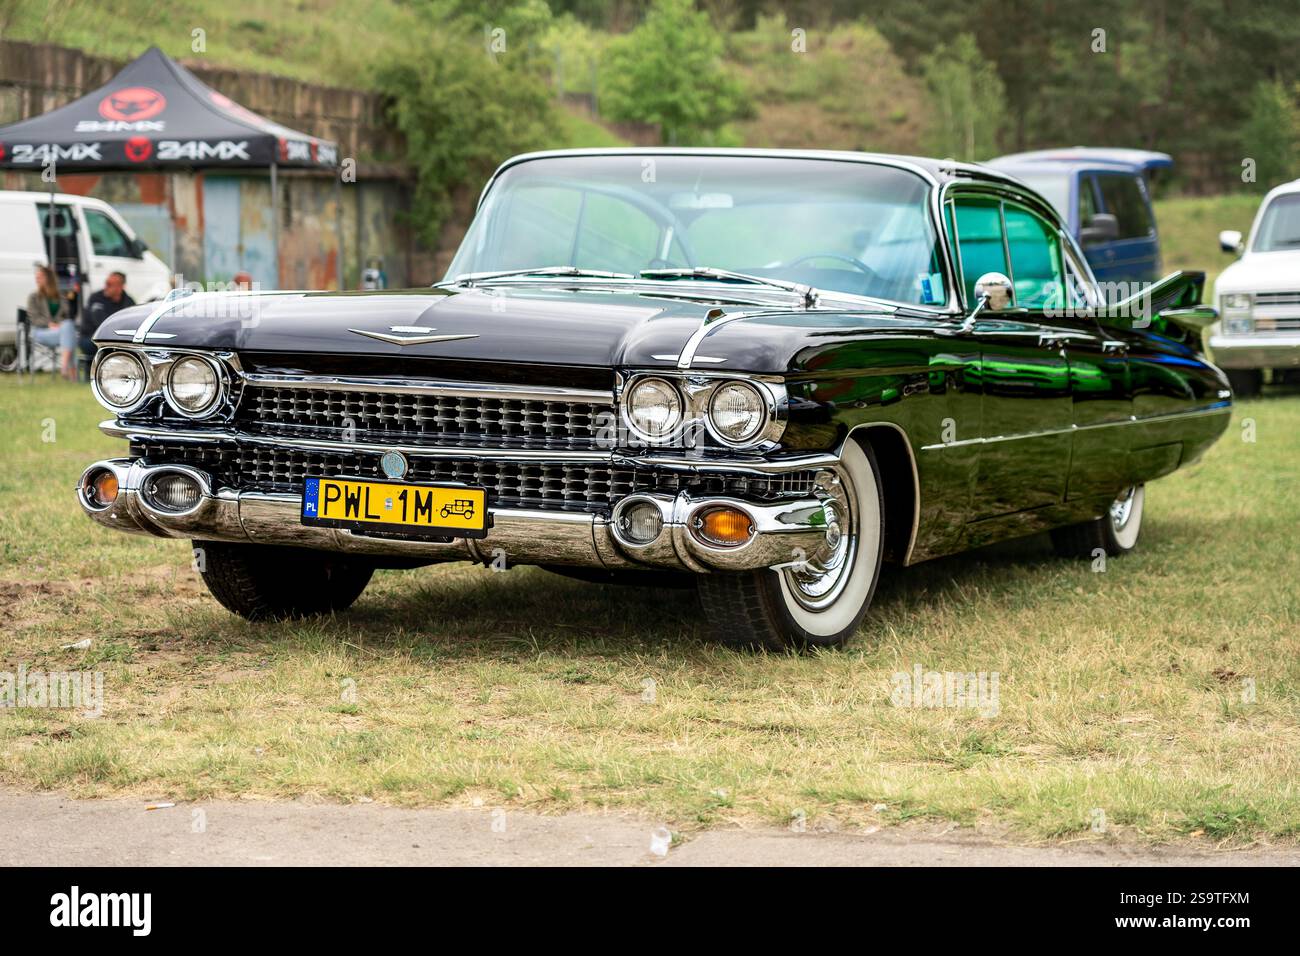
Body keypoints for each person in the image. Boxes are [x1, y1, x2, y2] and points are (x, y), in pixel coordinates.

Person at [27, 265, 76, 379]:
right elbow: (34, 318)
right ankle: (71, 373)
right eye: (36, 277)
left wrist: (59, 324)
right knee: (70, 335)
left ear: (49, 278)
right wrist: (49, 324)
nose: (37, 279)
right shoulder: (33, 297)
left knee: (68, 327)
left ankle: (64, 368)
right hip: (40, 331)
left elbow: (68, 314)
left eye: (40, 277)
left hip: (59, 331)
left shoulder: (60, 296)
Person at [81, 271, 136, 364]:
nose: (106, 287)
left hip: (118, 339)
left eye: (109, 284)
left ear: (120, 287)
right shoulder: (96, 299)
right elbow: (101, 324)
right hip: (92, 337)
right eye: (106, 283)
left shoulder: (129, 302)